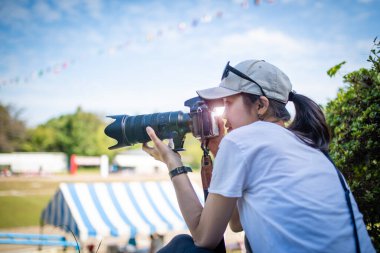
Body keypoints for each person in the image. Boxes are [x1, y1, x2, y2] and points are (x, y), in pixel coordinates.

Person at [142, 60, 375, 253]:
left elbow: (204, 238)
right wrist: (218, 150)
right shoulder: (305, 144)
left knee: (183, 247)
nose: (223, 116)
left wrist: (174, 164)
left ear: (260, 105)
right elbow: (237, 223)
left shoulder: (242, 141)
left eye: (228, 103)